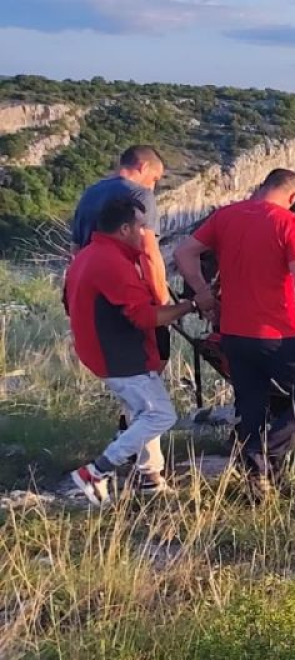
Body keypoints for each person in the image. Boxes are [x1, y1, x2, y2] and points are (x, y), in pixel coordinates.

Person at [175, 169, 295, 490]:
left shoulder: (226, 217)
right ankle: (266, 453)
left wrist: (203, 293)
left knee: (251, 406)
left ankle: (260, 480)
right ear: (292, 197)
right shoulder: (291, 223)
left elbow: (183, 253)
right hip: (277, 333)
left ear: (262, 187)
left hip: (233, 332)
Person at [64, 198, 197, 505]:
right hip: (119, 355)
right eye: (141, 226)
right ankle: (95, 472)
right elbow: (145, 316)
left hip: (100, 349)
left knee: (142, 413)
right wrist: (189, 305)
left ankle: (150, 479)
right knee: (161, 415)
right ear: (124, 228)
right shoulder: (111, 262)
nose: (145, 232)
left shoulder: (87, 255)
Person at [71, 146, 171, 305]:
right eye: (154, 179)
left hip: (90, 293)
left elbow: (76, 249)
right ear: (143, 167)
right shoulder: (141, 195)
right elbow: (148, 252)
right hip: (124, 294)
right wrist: (162, 299)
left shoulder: (90, 193)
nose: (152, 187)